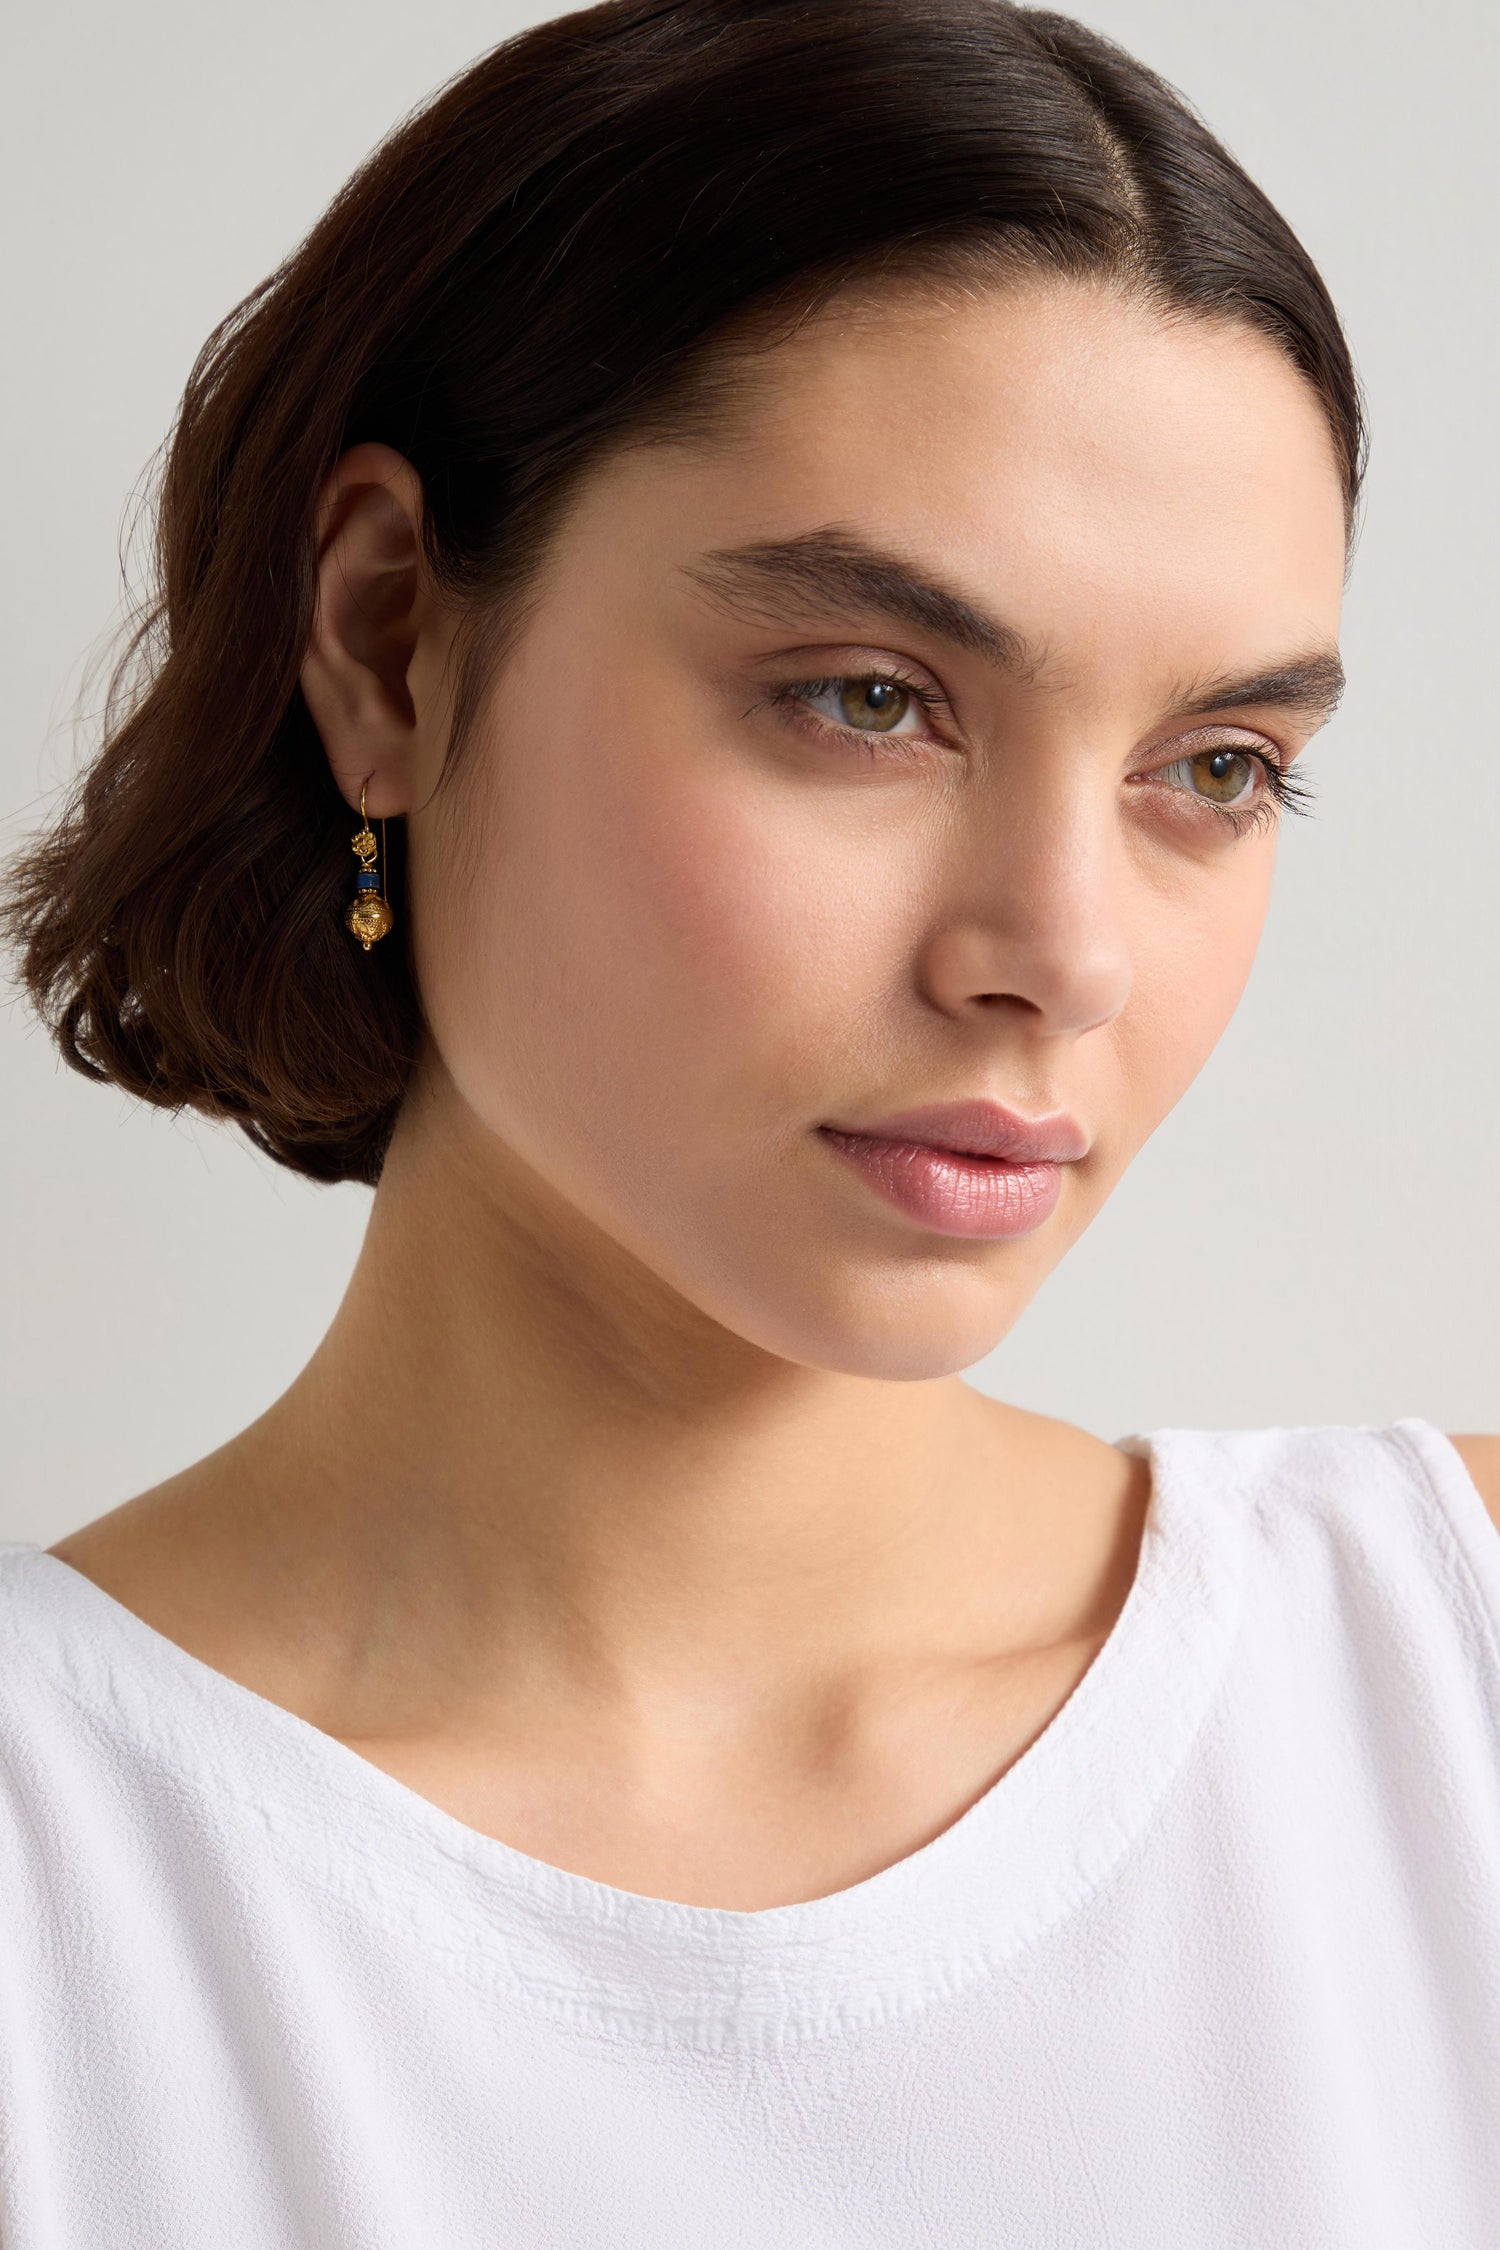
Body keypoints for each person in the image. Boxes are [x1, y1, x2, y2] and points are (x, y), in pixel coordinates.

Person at [2, 0, 1496, 2241]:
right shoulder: (60, 1898)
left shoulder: (1455, 1674)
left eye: (1217, 769)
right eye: (873, 701)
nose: (1060, 953)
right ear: (391, 643)